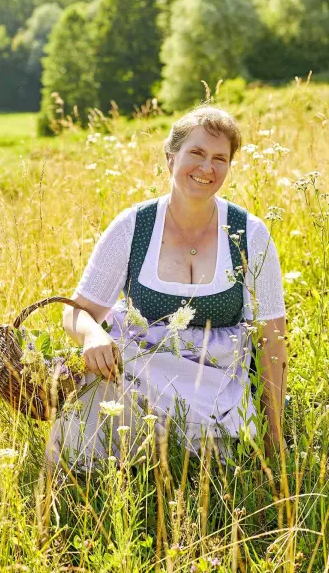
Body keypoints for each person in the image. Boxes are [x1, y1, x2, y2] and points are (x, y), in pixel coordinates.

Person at [49, 105, 288, 472]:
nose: (207, 168)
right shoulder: (134, 226)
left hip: (217, 389)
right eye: (196, 153)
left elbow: (272, 340)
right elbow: (76, 311)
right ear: (170, 157)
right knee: (90, 426)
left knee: (206, 475)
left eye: (220, 159)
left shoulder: (250, 233)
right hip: (136, 379)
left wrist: (274, 438)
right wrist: (92, 335)